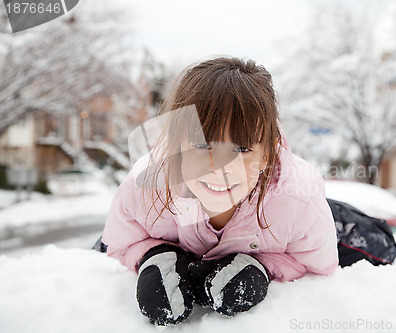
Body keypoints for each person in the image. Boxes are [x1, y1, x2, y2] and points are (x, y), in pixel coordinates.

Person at [101, 57, 338, 326]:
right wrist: (152, 255)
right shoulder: (143, 189)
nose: (219, 168)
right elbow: (120, 244)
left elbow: (318, 266)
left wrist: (262, 266)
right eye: (203, 146)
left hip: (283, 209)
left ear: (267, 155)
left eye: (242, 149)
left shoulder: (298, 203)